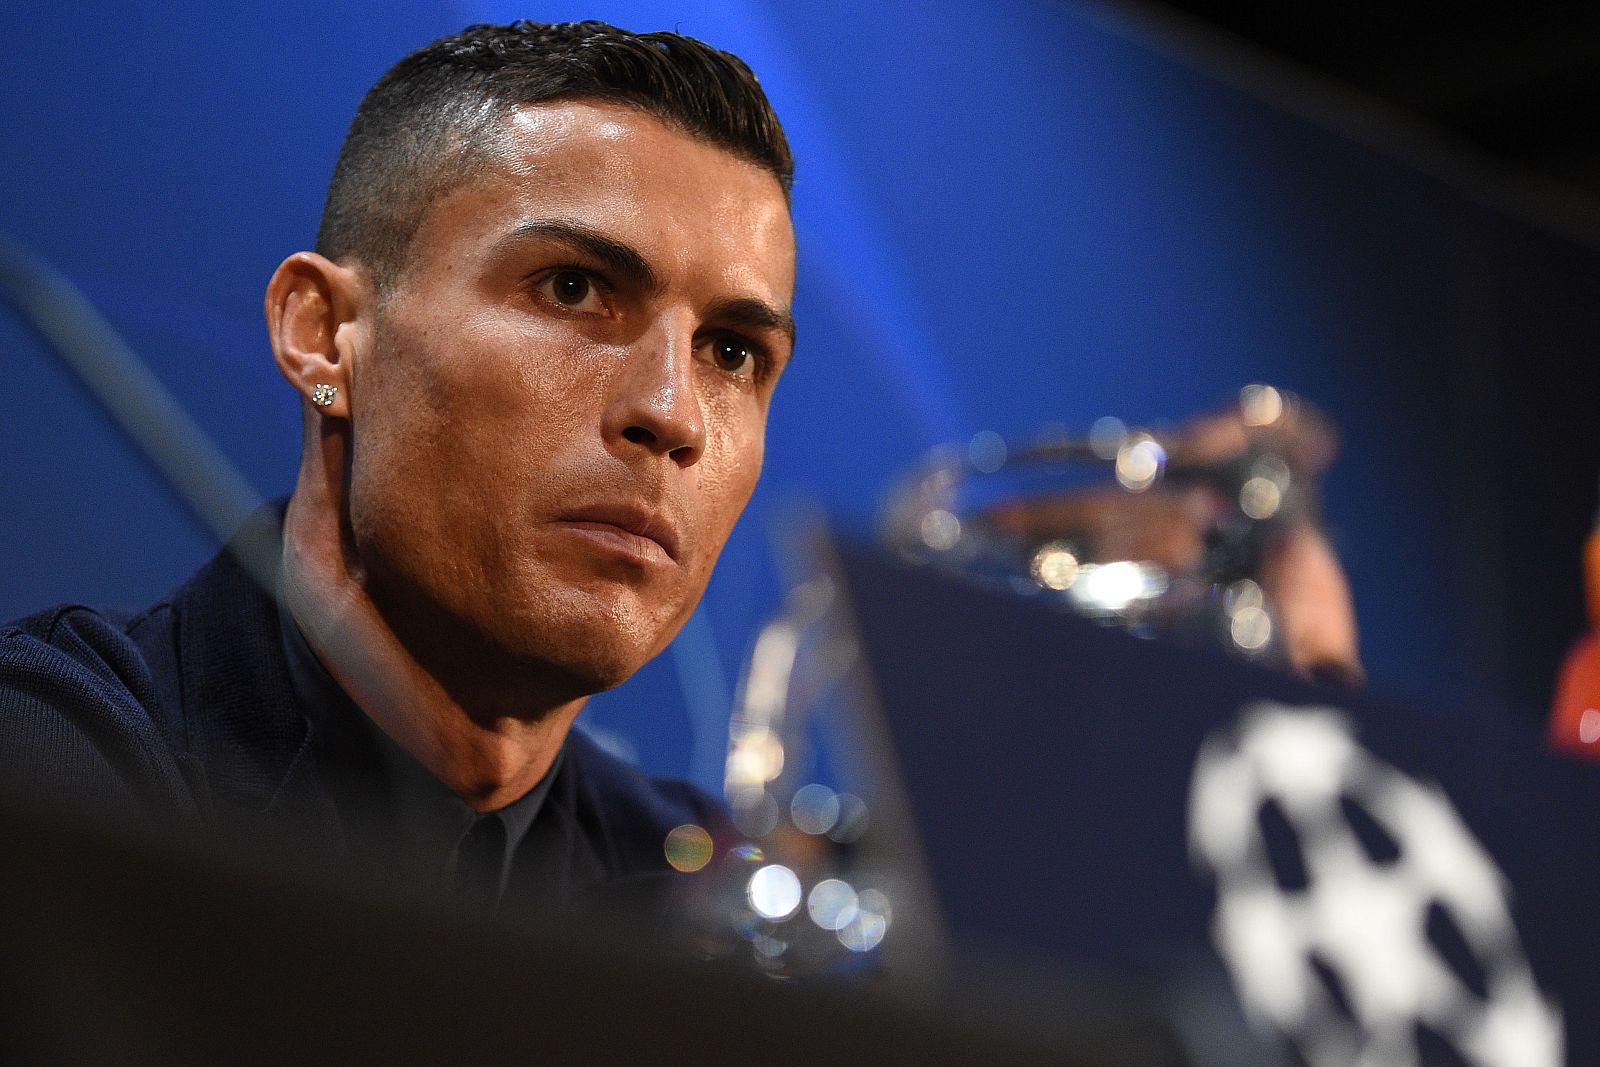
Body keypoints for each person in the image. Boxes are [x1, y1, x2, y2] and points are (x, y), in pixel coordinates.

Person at [0, 20, 796, 913]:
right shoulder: (51, 774)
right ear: (323, 336)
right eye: (572, 288)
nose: (671, 412)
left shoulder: (705, 907)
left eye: (729, 352)